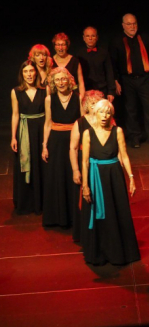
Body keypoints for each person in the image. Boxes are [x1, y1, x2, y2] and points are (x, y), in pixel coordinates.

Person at [81, 100, 140, 266]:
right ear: (95, 114)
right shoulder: (88, 133)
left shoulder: (118, 131)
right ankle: (100, 253)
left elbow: (125, 156)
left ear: (111, 115)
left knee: (118, 211)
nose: (104, 116)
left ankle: (120, 252)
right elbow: (85, 161)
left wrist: (131, 177)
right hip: (95, 177)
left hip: (114, 176)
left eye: (108, 113)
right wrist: (85, 185)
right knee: (101, 215)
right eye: (101, 112)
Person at [109, 13, 149, 148]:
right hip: (126, 80)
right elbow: (113, 64)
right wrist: (115, 81)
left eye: (134, 23)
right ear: (123, 25)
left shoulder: (144, 37)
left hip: (145, 79)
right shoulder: (117, 41)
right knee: (130, 109)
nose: (132, 26)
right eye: (129, 24)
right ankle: (135, 137)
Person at [42, 67, 82, 228]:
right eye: (57, 80)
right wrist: (45, 145)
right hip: (56, 142)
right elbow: (47, 124)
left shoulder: (78, 97)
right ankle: (59, 217)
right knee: (58, 176)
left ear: (69, 81)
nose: (61, 82)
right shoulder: (49, 99)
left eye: (63, 79)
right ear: (53, 82)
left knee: (74, 176)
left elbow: (82, 121)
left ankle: (75, 216)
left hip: (74, 140)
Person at [11, 61, 47, 215]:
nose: (29, 74)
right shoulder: (16, 91)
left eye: (31, 71)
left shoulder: (44, 91)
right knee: (26, 164)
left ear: (36, 72)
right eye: (26, 71)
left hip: (41, 130)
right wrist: (13, 137)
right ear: (22, 74)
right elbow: (15, 114)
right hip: (24, 131)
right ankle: (27, 203)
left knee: (41, 164)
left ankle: (43, 201)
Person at [70, 90, 105, 242]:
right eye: (92, 103)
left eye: (97, 103)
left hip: (103, 164)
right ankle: (88, 235)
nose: (94, 106)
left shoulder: (107, 120)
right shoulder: (80, 122)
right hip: (86, 164)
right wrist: (76, 170)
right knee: (87, 197)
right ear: (86, 105)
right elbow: (73, 147)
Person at [76, 27, 116, 102]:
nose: (90, 38)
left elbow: (109, 72)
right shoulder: (79, 54)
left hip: (102, 89)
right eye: (87, 36)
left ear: (97, 37)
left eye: (93, 36)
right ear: (83, 38)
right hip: (85, 90)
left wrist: (111, 91)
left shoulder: (104, 53)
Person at [51, 33, 86, 100]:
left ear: (67, 46)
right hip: (56, 97)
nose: (60, 48)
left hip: (73, 96)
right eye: (58, 44)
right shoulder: (50, 61)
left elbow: (81, 83)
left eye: (63, 45)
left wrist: (82, 99)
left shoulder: (75, 61)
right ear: (54, 46)